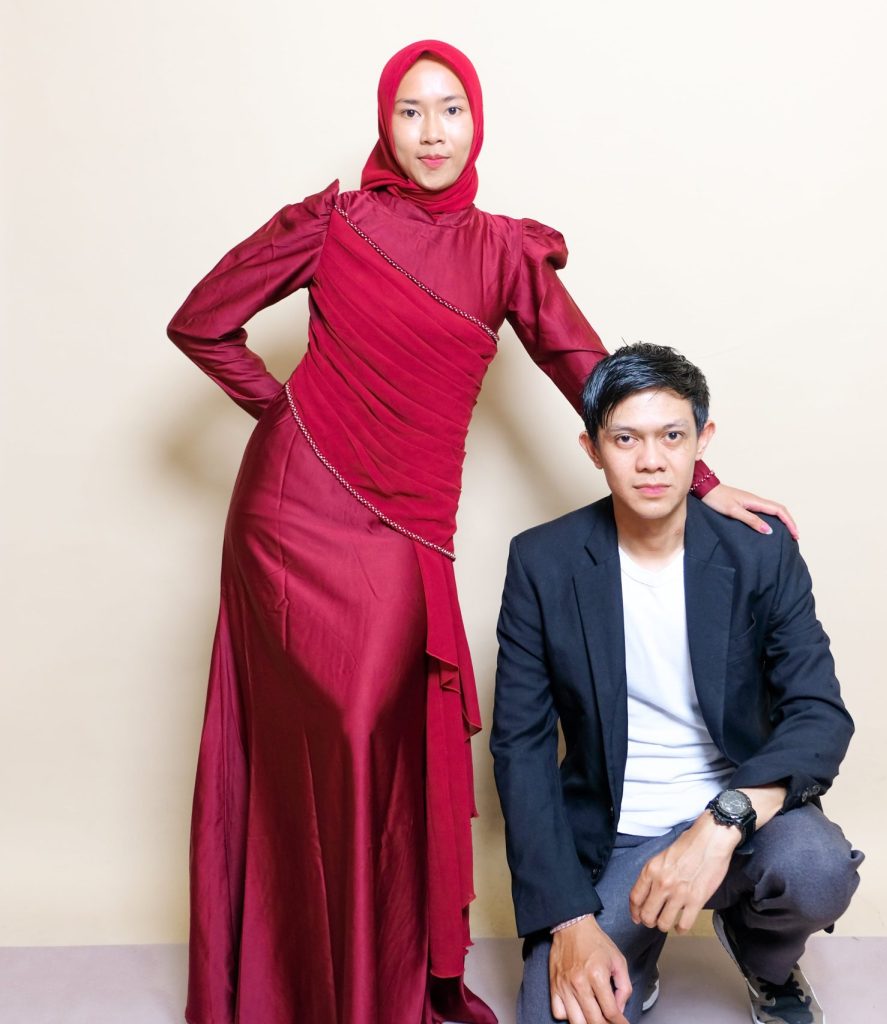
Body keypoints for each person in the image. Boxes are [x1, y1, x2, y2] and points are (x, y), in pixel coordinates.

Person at [167, 40, 795, 1024]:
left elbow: (584, 365)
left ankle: (372, 986)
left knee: (370, 744)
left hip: (403, 530)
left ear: (476, 123)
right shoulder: (332, 224)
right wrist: (293, 418)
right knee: (311, 752)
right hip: (291, 518)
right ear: (386, 124)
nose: (431, 133)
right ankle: (293, 988)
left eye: (450, 109)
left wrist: (699, 480)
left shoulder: (503, 251)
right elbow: (200, 321)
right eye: (410, 111)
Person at [491, 344, 862, 1024]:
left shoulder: (759, 551)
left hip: (737, 824)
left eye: (671, 436)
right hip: (615, 839)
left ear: (702, 441)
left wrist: (724, 820)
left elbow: (819, 714)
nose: (652, 461)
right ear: (592, 448)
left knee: (817, 868)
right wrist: (569, 920)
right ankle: (637, 958)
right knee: (552, 1013)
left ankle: (764, 957)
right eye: (625, 439)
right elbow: (521, 750)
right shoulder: (543, 562)